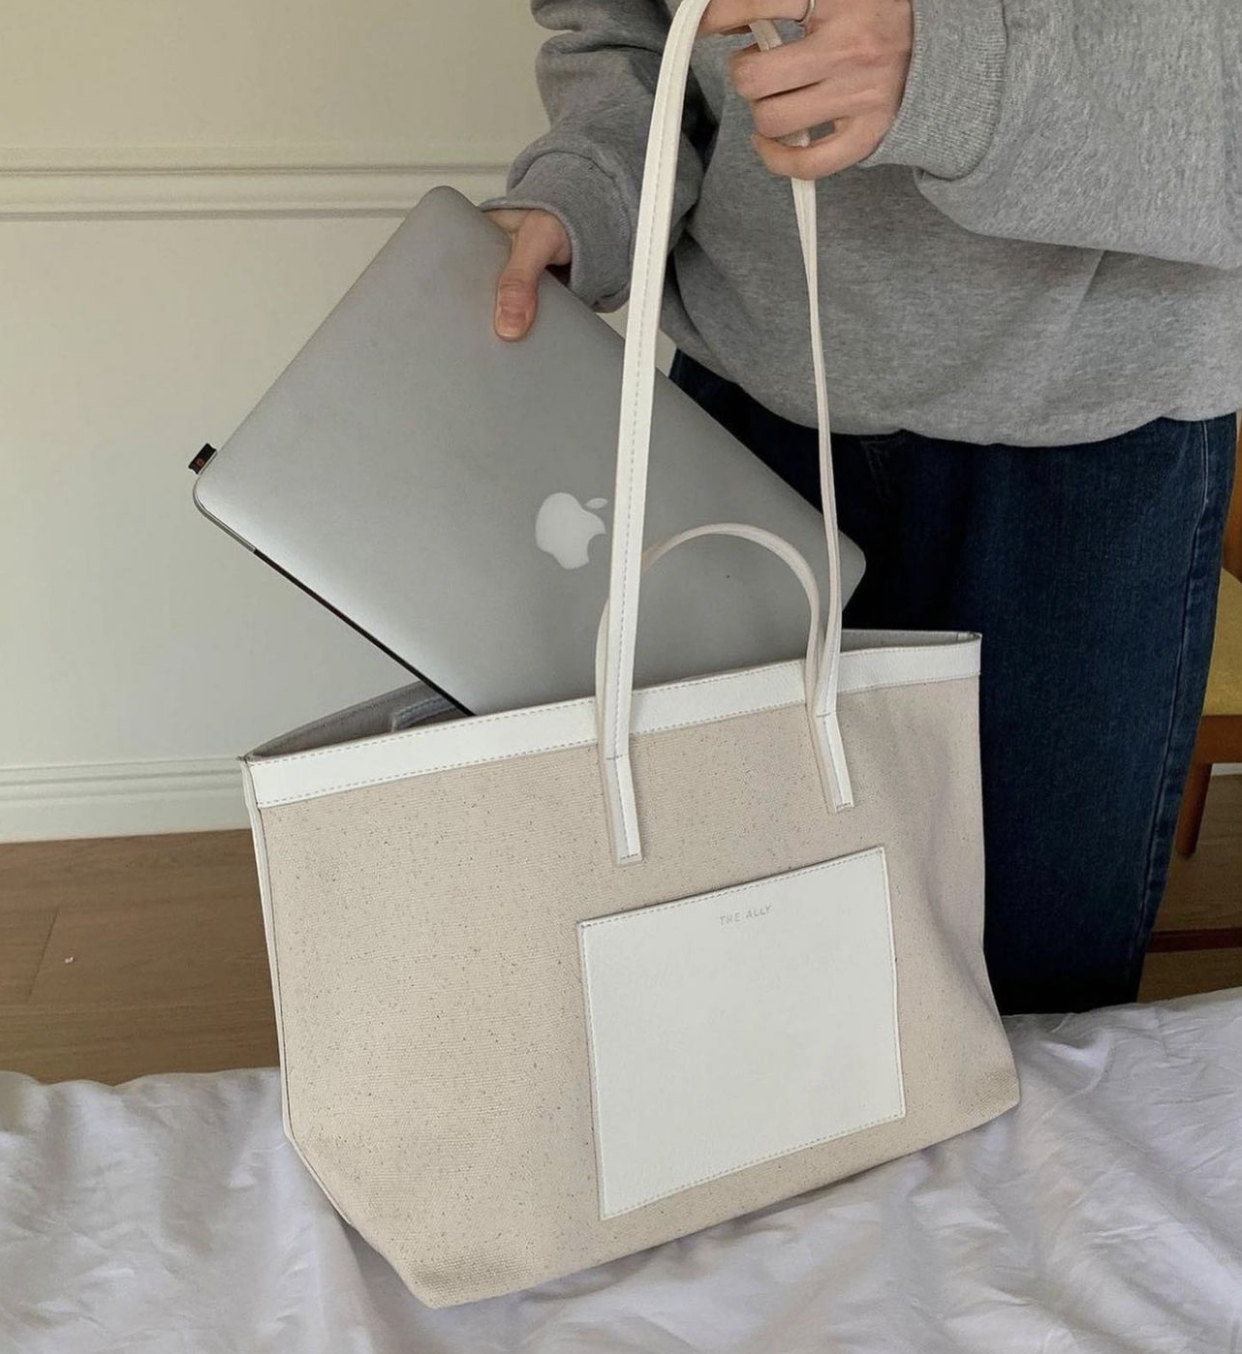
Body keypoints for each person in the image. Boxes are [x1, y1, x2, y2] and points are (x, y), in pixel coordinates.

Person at [482, 0, 1241, 1015]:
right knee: (733, 984)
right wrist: (586, 192)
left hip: (1093, 428)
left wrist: (959, 69)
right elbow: (627, 32)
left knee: (1027, 1008)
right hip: (746, 401)